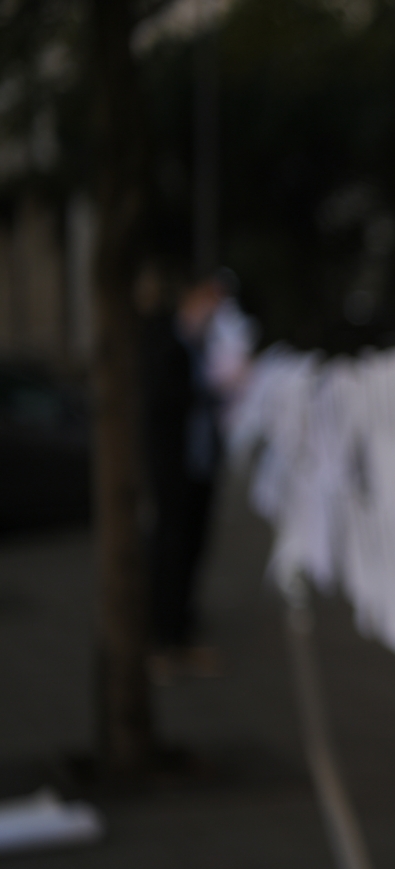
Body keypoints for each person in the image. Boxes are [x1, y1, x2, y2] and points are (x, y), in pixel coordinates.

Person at [141, 270, 227, 684]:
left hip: (201, 466)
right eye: (210, 300)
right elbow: (161, 401)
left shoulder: (207, 346)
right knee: (170, 551)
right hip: (174, 468)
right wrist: (209, 389)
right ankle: (163, 639)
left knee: (193, 548)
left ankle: (183, 631)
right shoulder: (167, 342)